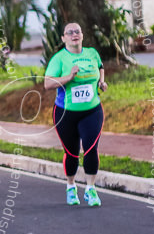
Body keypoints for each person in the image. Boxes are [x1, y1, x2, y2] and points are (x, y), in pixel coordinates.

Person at [44, 23, 107, 207]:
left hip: (92, 111)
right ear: (63, 38)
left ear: (82, 35)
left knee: (91, 148)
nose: (74, 35)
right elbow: (47, 84)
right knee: (72, 153)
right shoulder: (59, 59)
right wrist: (68, 78)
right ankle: (71, 187)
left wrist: (101, 82)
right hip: (65, 114)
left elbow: (100, 66)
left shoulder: (92, 53)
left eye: (77, 31)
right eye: (69, 32)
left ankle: (90, 189)